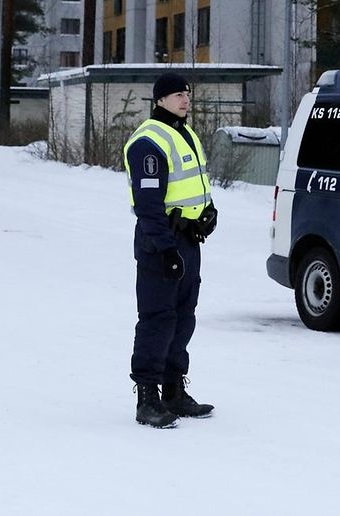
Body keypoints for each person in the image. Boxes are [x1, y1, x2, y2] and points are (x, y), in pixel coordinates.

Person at [123, 71, 218, 429]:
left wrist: (207, 212)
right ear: (160, 99)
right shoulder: (148, 141)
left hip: (188, 240)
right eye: (177, 94)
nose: (185, 99)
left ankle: (173, 390)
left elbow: (194, 186)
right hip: (159, 241)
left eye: (187, 93)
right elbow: (148, 204)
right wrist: (165, 249)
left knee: (183, 315)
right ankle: (147, 398)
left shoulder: (185, 133)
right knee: (157, 317)